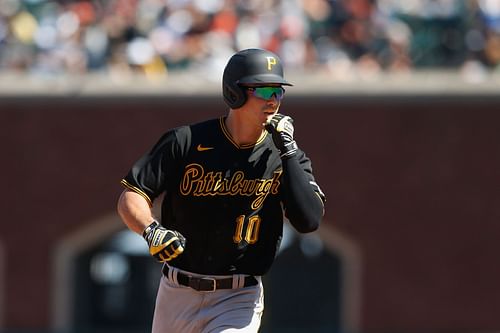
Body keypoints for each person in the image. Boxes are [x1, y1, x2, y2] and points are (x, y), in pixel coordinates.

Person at [117, 48, 326, 333]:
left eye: (278, 92)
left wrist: (289, 150)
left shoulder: (284, 155)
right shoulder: (187, 141)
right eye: (264, 91)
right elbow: (133, 195)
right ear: (235, 92)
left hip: (239, 296)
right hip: (177, 291)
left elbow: (309, 220)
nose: (274, 101)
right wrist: (150, 229)